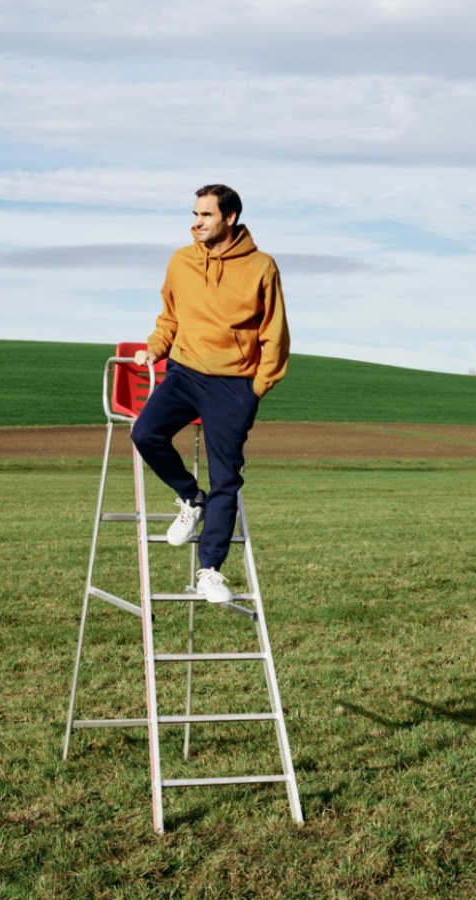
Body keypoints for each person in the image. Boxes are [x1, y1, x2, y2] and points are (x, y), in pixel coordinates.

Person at [131, 184, 290, 604]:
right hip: (184, 371)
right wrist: (156, 346)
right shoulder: (181, 261)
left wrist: (256, 388)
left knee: (227, 478)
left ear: (230, 217)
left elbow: (275, 334)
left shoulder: (261, 267)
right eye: (195, 213)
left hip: (234, 384)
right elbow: (170, 314)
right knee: (145, 434)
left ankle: (209, 571)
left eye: (206, 215)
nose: (196, 222)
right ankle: (189, 496)